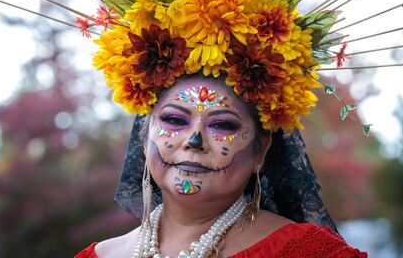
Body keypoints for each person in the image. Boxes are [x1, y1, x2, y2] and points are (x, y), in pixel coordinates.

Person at [75, 72, 366, 257]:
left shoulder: (311, 254)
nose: (194, 139)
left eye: (223, 125)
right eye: (175, 120)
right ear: (143, 137)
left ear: (261, 151)